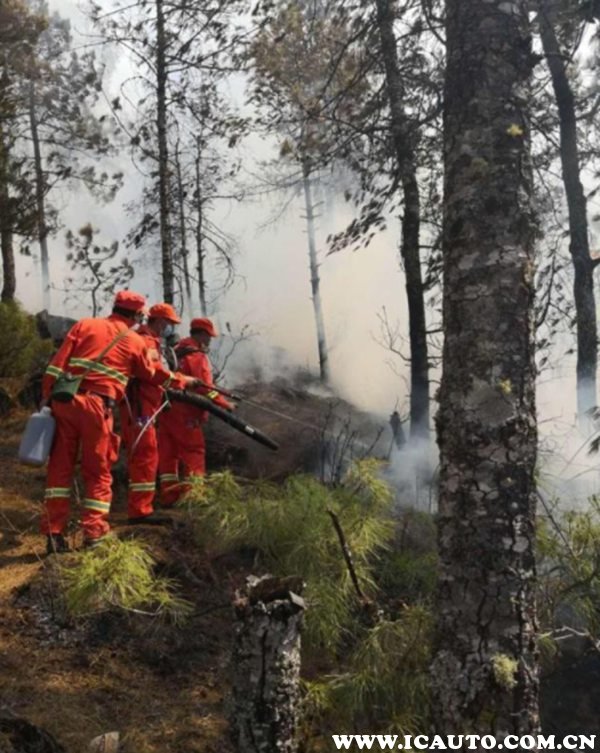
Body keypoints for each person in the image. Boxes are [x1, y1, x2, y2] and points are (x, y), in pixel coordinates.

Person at [41, 291, 196, 554]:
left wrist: (46, 399)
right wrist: (183, 380)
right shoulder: (134, 340)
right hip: (96, 407)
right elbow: (152, 374)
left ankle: (54, 535)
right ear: (137, 315)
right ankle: (94, 533)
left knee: (59, 469)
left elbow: (56, 366)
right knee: (98, 470)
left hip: (64, 401)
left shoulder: (85, 325)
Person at [158, 317, 233, 506]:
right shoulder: (197, 356)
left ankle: (169, 496)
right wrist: (225, 404)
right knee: (193, 451)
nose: (209, 340)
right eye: (208, 336)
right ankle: (194, 497)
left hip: (166, 409)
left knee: (169, 454)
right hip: (187, 413)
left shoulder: (175, 352)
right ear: (201, 335)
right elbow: (204, 388)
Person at [120, 302, 181, 525]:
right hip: (139, 407)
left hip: (145, 405)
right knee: (144, 455)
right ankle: (140, 511)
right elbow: (153, 373)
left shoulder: (150, 340)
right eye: (169, 323)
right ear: (160, 321)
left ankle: (142, 507)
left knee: (147, 453)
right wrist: (181, 381)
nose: (170, 328)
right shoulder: (145, 341)